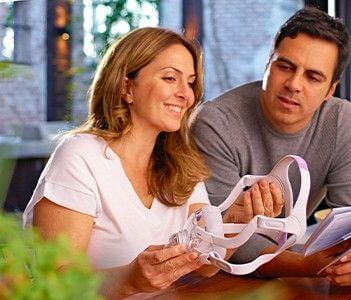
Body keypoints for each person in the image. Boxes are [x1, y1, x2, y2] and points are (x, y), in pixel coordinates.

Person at [22, 27, 283, 298]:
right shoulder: (81, 155)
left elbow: (205, 265)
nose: (187, 95)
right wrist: (131, 279)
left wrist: (237, 218)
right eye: (170, 78)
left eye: (191, 82)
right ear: (126, 88)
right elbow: (54, 284)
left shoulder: (181, 165)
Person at [192, 7, 351, 286]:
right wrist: (307, 266)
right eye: (285, 66)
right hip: (215, 280)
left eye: (313, 77)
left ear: (330, 90)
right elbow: (218, 243)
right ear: (268, 63)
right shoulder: (215, 122)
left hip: (286, 269)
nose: (293, 84)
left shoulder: (342, 122)